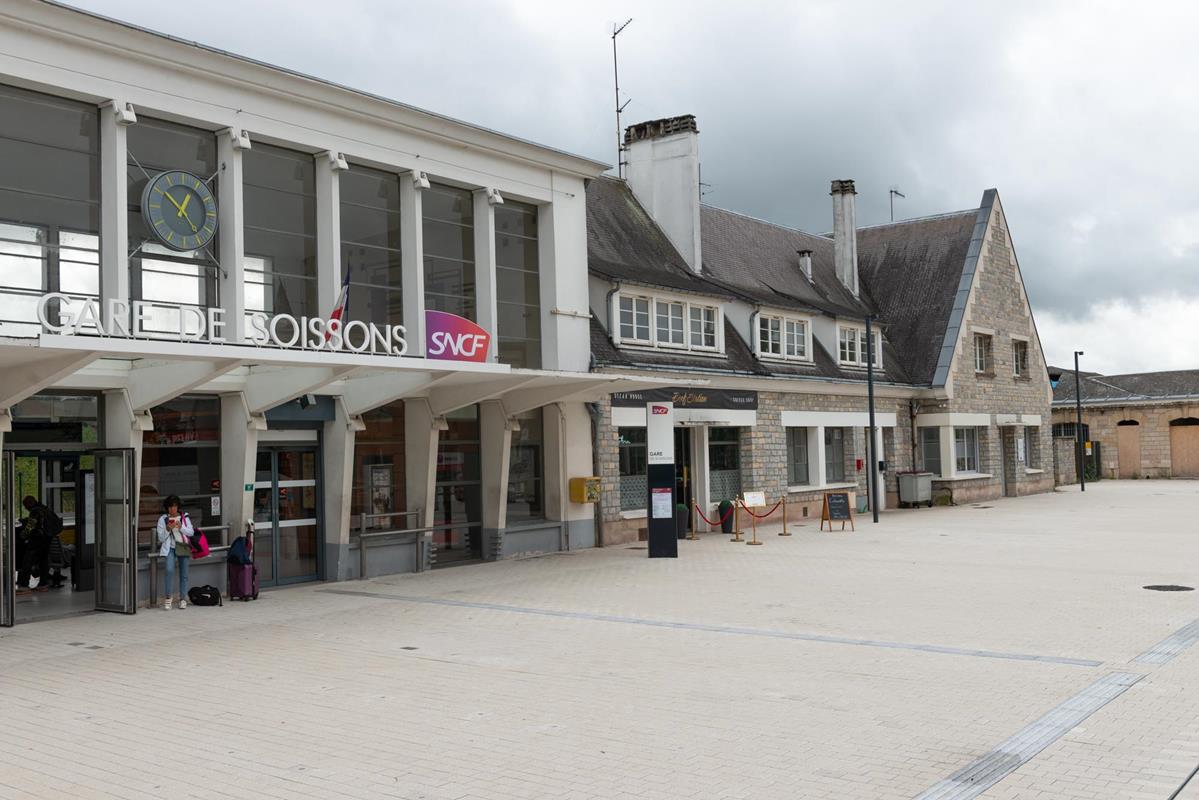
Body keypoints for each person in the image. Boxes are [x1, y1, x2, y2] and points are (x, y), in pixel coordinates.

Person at [156, 495, 194, 609]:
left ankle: (183, 599)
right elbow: (161, 538)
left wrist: (181, 527)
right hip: (170, 548)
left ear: (178, 507)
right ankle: (168, 598)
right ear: (167, 508)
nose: (172, 509)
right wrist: (168, 528)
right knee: (169, 570)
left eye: (174, 506)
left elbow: (191, 532)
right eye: (170, 507)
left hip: (182, 546)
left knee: (184, 574)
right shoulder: (163, 519)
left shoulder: (184, 517)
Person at [16, 496, 52, 595]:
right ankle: (43, 585)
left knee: (27, 561)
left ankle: (24, 586)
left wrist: (22, 536)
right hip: (47, 539)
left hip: (37, 540)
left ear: (29, 503)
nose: (25, 508)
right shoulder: (44, 508)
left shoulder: (35, 511)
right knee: (43, 561)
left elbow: (30, 527)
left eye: (25, 505)